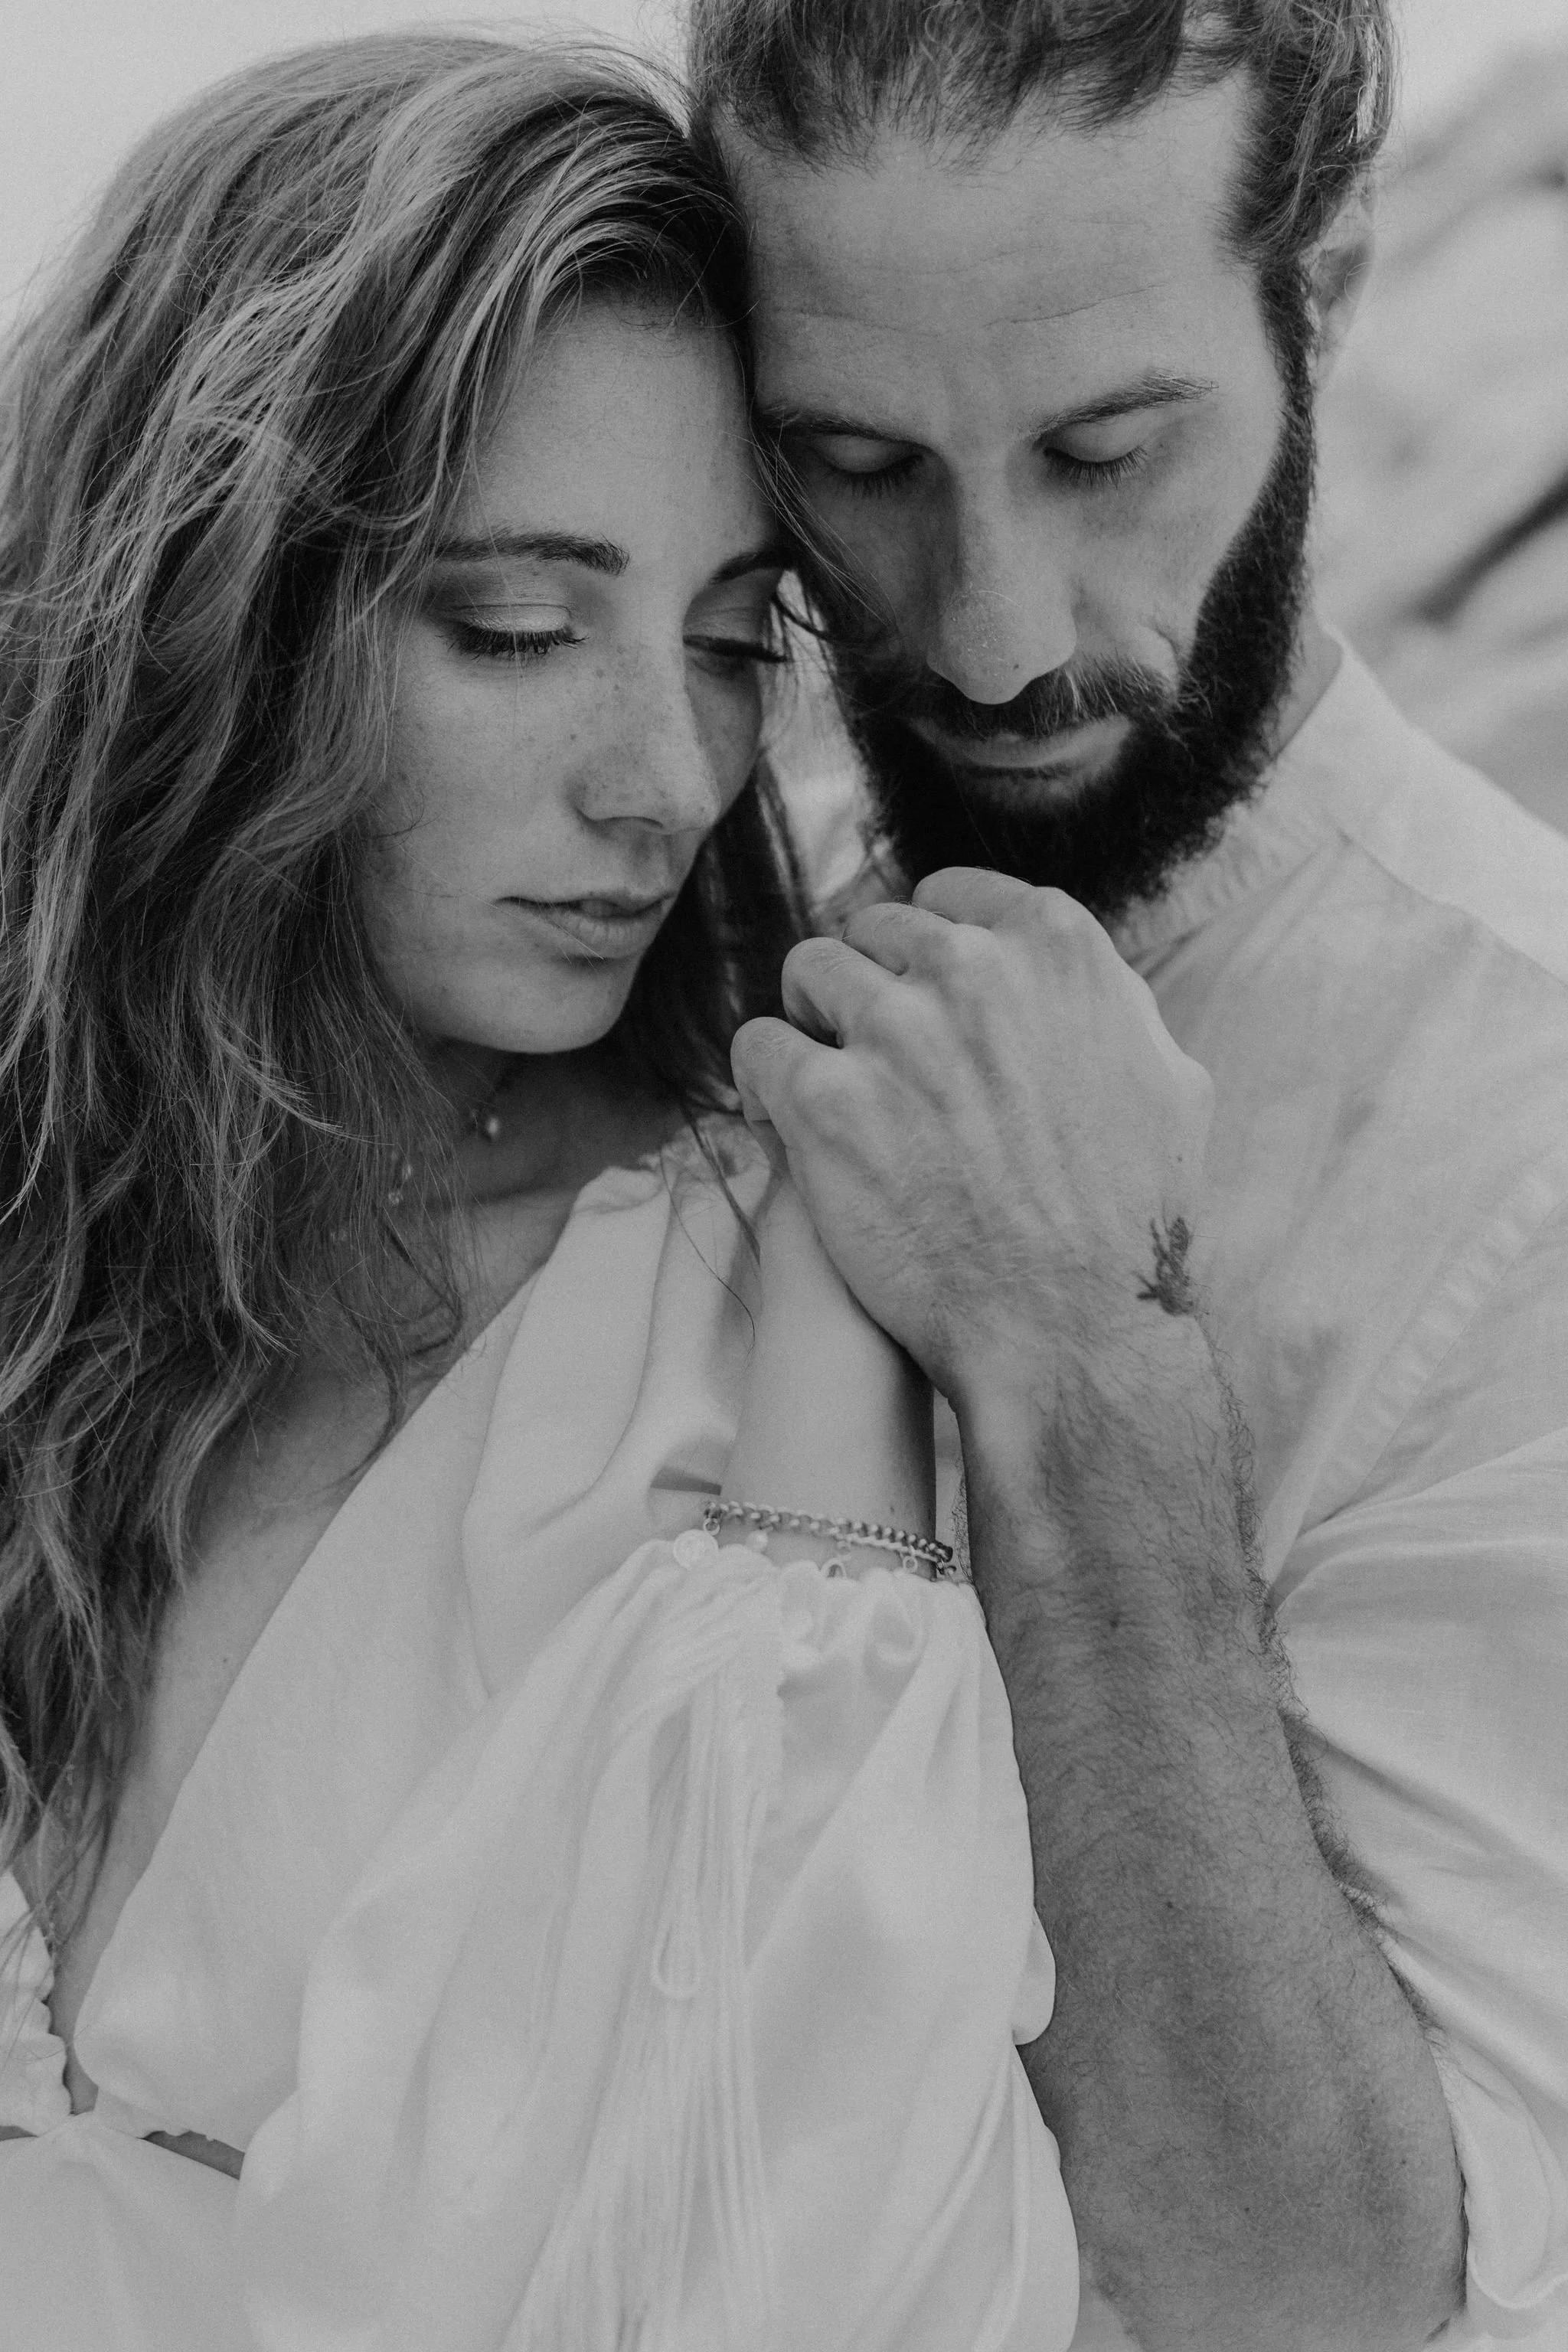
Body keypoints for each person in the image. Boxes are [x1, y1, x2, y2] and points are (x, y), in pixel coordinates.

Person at [0, 34, 1079, 2350]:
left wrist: (834, 1352)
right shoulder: (54, 1253)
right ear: (209, 606)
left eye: (725, 643)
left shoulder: (741, 1311)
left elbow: (819, 2251)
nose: (671, 775)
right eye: (514, 629)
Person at [687, 2, 1568, 2348]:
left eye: (1107, 450)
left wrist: (1077, 1356)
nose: (984, 625)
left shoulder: (1536, 1137)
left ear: (1329, 292)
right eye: (856, 465)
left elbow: (1320, 2300)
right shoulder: (693, 920)